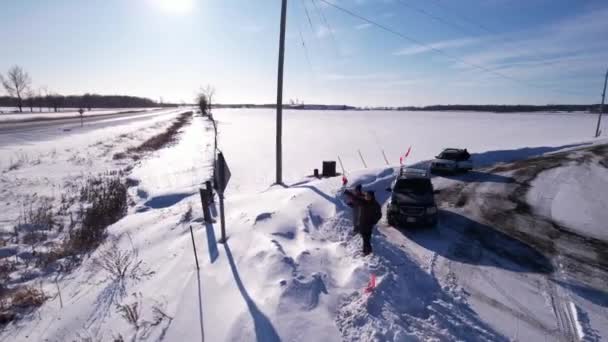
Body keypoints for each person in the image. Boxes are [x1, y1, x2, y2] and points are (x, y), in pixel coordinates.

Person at [344, 190, 382, 256]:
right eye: (366, 196)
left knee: (366, 237)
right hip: (362, 223)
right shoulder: (363, 202)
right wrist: (348, 192)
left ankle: (367, 251)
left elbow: (379, 214)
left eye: (368, 196)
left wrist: (374, 221)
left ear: (372, 197)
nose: (366, 197)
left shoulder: (375, 205)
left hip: (369, 224)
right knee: (365, 237)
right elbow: (356, 198)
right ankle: (366, 251)